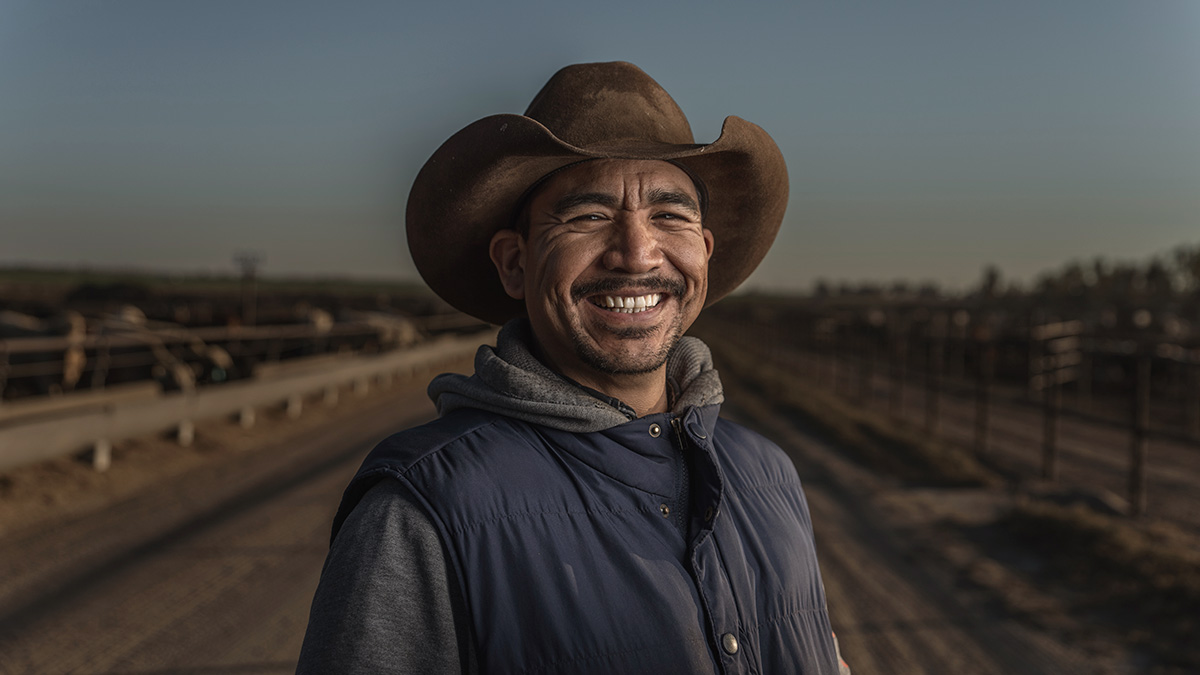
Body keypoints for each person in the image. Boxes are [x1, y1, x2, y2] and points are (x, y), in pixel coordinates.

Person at [297, 61, 850, 675]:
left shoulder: (769, 474)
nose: (637, 253)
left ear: (705, 254)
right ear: (515, 263)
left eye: (670, 215)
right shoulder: (422, 513)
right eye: (588, 216)